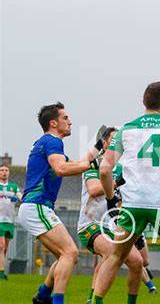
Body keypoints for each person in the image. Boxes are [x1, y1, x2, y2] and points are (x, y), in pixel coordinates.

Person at [92, 81, 160, 304]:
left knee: (115, 256)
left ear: (143, 102)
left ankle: (97, 301)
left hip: (134, 205)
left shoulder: (126, 130)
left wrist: (111, 200)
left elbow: (104, 169)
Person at [18, 102, 101, 304]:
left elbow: (74, 164)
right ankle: (55, 301)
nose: (70, 121)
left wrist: (98, 148)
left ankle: (43, 295)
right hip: (37, 206)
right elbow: (62, 169)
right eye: (66, 118)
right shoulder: (53, 142)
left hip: (36, 207)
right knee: (70, 252)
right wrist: (92, 165)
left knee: (67, 257)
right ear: (53, 123)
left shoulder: (48, 143)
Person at [77, 127, 157, 304]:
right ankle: (93, 300)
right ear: (105, 144)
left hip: (113, 227)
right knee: (111, 253)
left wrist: (135, 230)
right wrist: (116, 183)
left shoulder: (124, 169)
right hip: (90, 225)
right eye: (114, 141)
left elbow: (124, 202)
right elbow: (94, 189)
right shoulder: (95, 165)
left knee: (138, 262)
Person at [0, 165, 22, 280]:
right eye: (2, 170)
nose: (4, 172)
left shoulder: (13, 187)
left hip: (10, 220)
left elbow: (20, 196)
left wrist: (18, 198)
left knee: (5, 248)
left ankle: (1, 268)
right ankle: (1, 273)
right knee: (1, 246)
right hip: (0, 220)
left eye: (6, 170)